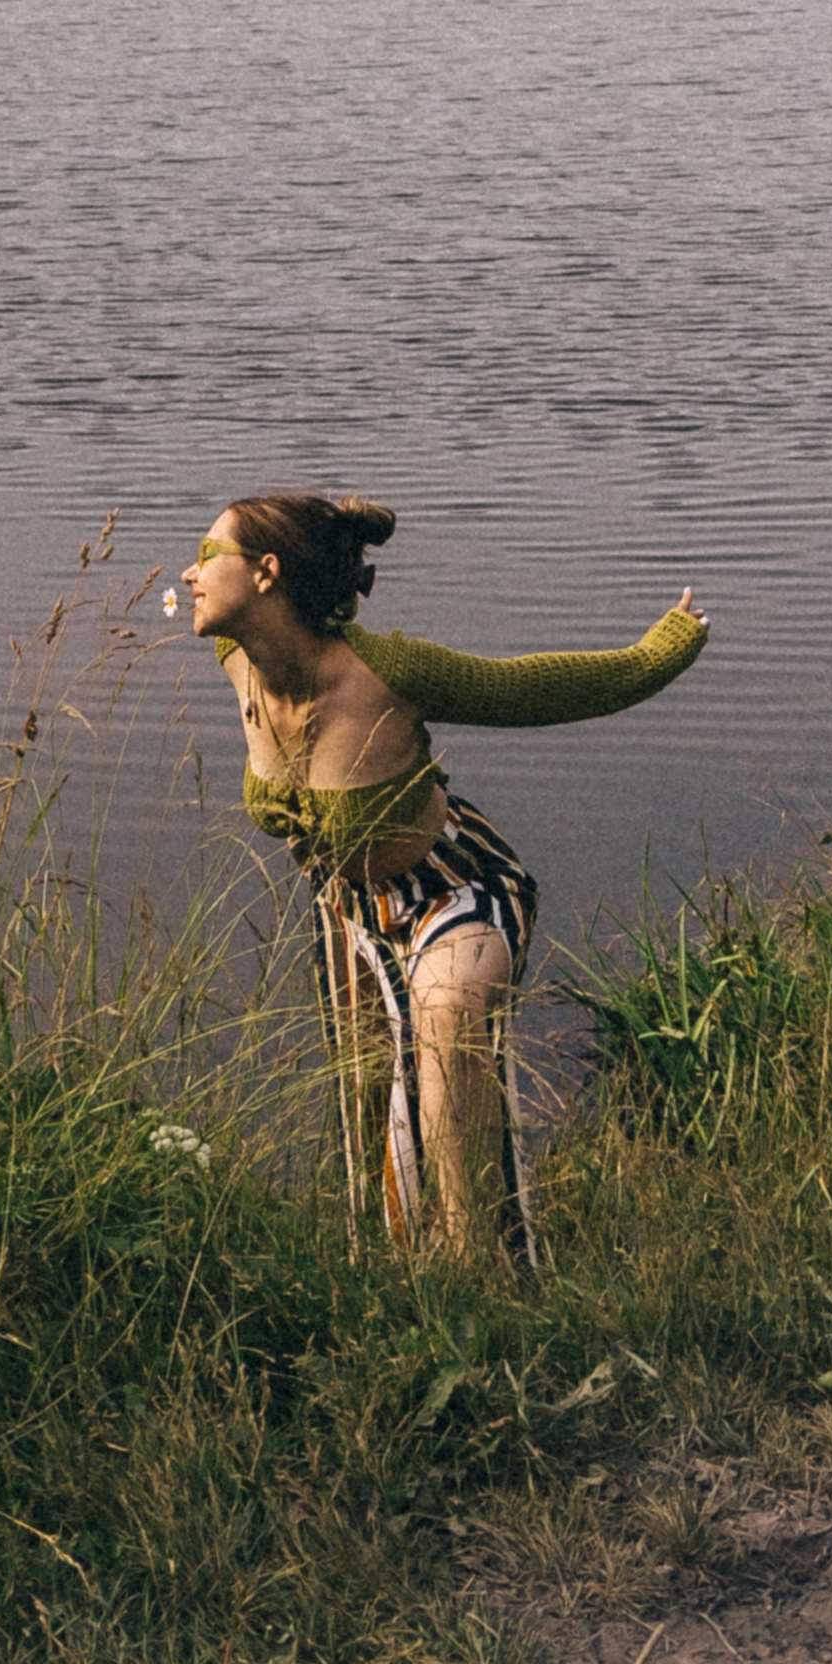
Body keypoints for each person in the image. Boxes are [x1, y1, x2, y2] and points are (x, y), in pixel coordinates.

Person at [183, 493, 707, 1264]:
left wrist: (659, 651)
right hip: (352, 914)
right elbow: (303, 544)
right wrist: (330, 516)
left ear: (266, 575)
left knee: (446, 1021)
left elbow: (532, 689)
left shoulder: (387, 673)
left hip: (455, 887)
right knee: (371, 1113)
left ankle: (484, 1285)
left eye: (207, 555)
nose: (188, 574)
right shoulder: (237, 657)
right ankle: (400, 1293)